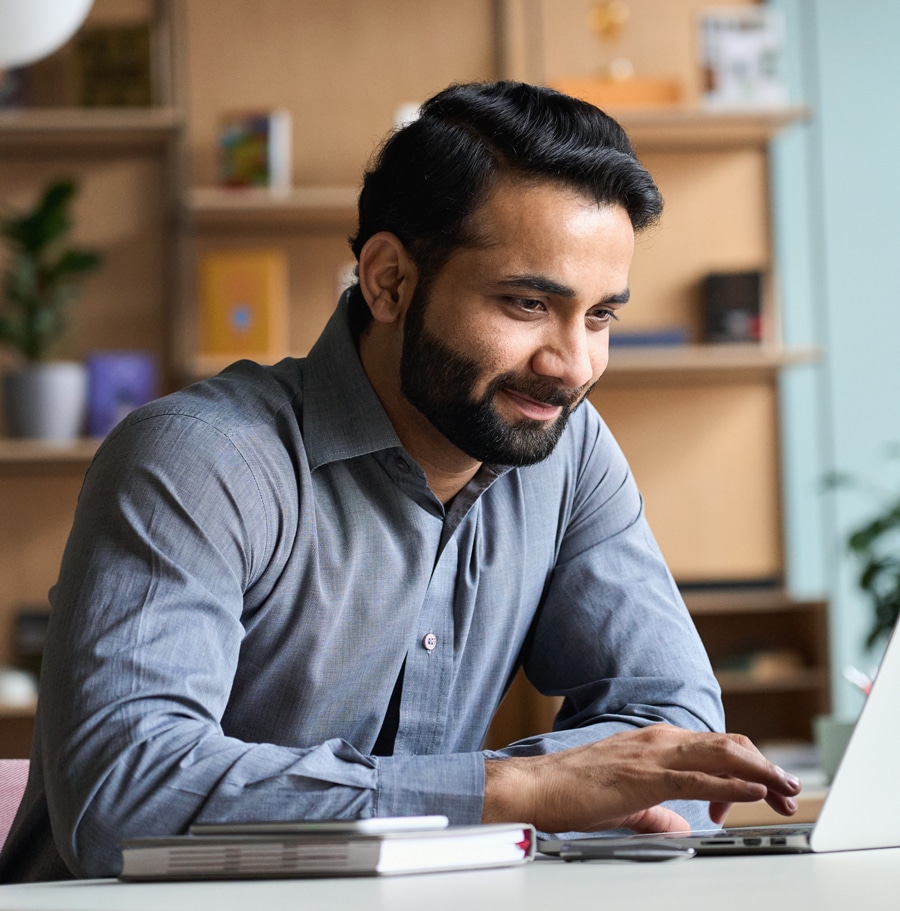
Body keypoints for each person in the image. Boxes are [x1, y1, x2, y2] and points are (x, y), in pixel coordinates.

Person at [0, 80, 799, 882]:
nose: (572, 366)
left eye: (600, 317)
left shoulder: (569, 450)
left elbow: (676, 725)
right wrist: (517, 788)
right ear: (388, 281)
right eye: (527, 303)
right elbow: (124, 796)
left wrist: (561, 791)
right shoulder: (197, 459)